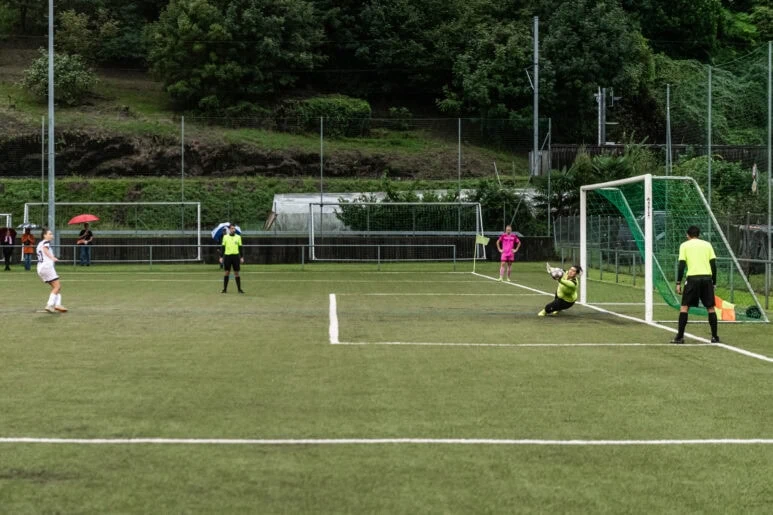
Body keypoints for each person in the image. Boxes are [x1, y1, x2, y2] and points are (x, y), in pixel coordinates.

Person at [671, 225, 720, 344]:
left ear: (688, 235)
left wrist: (678, 282)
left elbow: (682, 265)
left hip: (693, 279)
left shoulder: (684, 245)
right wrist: (714, 281)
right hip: (707, 279)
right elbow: (713, 264)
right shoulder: (707, 245)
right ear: (698, 235)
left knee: (684, 307)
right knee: (710, 308)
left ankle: (680, 337)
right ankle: (714, 337)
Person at [36, 227, 67, 313]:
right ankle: (50, 305)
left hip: (40, 268)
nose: (51, 235)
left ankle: (58, 304)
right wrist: (52, 257)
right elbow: (45, 250)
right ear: (44, 235)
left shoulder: (39, 244)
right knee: (57, 286)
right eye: (50, 234)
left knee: (56, 287)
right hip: (47, 267)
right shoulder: (46, 242)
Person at [219, 223, 245, 294]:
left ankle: (239, 289)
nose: (233, 229)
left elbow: (240, 248)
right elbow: (223, 248)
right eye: (232, 228)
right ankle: (224, 289)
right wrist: (221, 257)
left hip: (236, 257)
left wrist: (242, 257)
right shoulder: (225, 237)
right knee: (227, 272)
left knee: (236, 273)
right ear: (229, 229)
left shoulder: (238, 237)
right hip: (227, 257)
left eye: (234, 228)